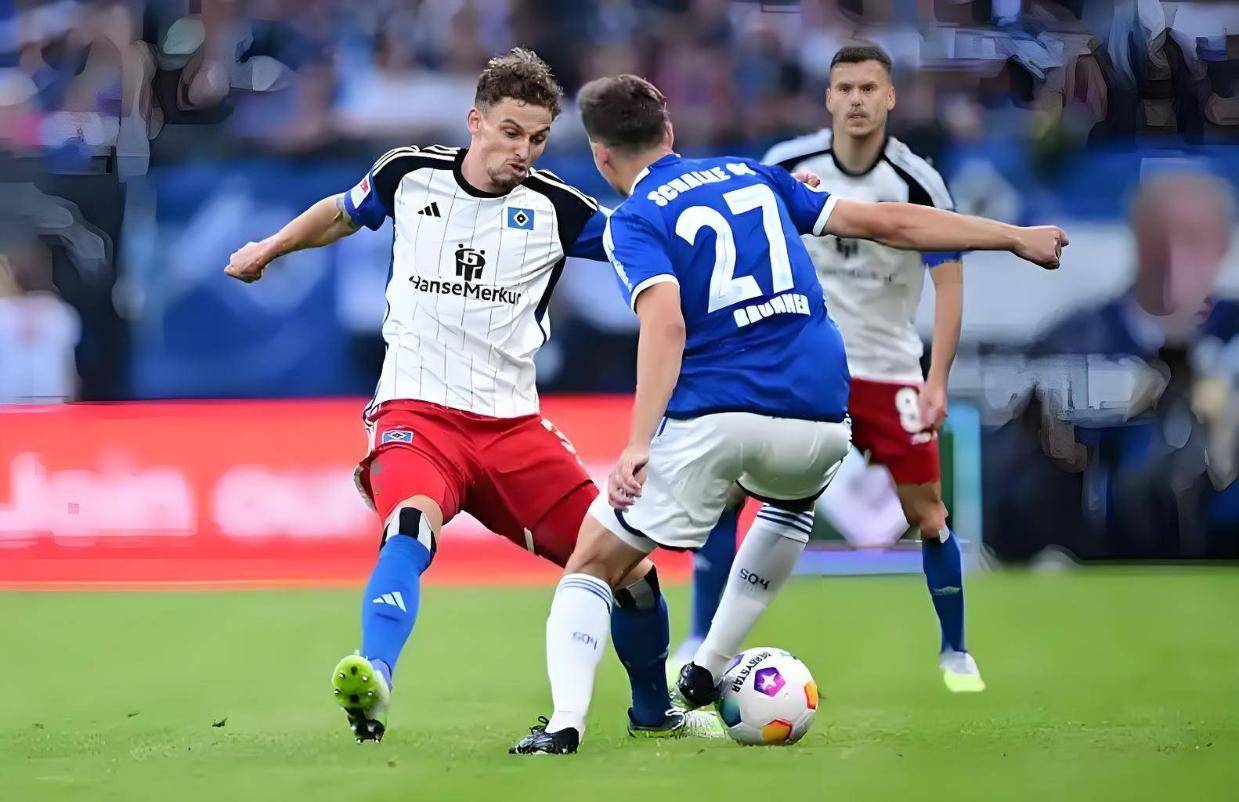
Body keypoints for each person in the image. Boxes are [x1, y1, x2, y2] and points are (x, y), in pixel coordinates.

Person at [511, 73, 1066, 755]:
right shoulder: (755, 176)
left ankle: (564, 724)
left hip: (717, 412)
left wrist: (636, 442)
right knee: (789, 505)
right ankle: (708, 666)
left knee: (593, 565)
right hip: (820, 415)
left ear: (601, 156)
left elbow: (665, 325)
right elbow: (891, 223)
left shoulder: (635, 217)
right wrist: (1012, 236)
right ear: (670, 132)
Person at [225, 49, 715, 744]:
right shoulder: (407, 173)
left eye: (537, 138)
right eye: (511, 132)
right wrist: (269, 248)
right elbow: (340, 213)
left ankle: (652, 712)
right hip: (417, 415)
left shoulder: (559, 208)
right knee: (409, 525)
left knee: (630, 571)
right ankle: (375, 676)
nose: (524, 151)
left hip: (513, 429)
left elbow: (648, 241)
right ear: (475, 121)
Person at [681, 43, 985, 692]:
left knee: (929, 515)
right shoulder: (788, 164)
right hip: (801, 365)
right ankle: (700, 638)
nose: (855, 100)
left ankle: (955, 651)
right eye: (844, 88)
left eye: (868, 88)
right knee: (726, 492)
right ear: (827, 98)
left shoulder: (916, 182)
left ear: (889, 97)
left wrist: (936, 379)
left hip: (887, 368)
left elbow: (950, 282)